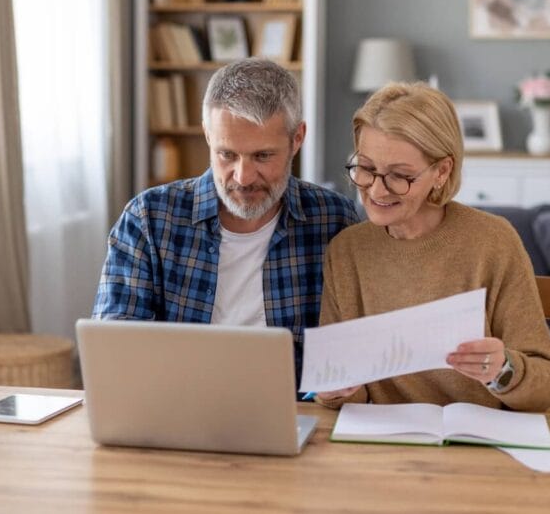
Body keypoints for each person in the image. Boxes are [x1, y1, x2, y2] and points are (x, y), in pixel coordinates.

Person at [93, 59, 359, 381]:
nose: (243, 178)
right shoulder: (148, 219)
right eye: (227, 154)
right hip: (178, 408)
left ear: (297, 138)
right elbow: (116, 349)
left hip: (294, 411)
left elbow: (352, 342)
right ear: (208, 135)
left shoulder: (334, 220)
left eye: (263, 156)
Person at [317, 81, 550, 412]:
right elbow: (351, 394)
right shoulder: (347, 251)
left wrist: (502, 370)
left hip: (490, 443)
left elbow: (545, 383)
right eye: (366, 168)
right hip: (392, 446)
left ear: (441, 170)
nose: (376, 191)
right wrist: (337, 390)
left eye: (399, 175)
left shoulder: (493, 241)